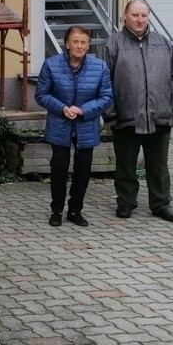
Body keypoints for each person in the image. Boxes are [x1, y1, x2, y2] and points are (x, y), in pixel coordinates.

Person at [103, 0, 173, 223]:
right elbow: (104, 81)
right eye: (135, 15)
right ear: (124, 16)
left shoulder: (163, 44)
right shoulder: (113, 44)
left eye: (144, 15)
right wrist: (110, 114)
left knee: (158, 165)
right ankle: (126, 202)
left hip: (159, 116)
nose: (140, 20)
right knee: (125, 164)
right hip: (125, 117)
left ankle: (160, 204)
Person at [35, 25, 113, 228]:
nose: (79, 46)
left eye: (84, 42)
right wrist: (62, 108)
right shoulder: (51, 65)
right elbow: (41, 94)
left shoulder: (100, 67)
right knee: (58, 169)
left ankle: (75, 209)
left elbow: (106, 97)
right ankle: (57, 210)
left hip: (86, 126)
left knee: (83, 171)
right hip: (60, 125)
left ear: (88, 45)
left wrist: (83, 110)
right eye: (75, 42)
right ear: (67, 44)